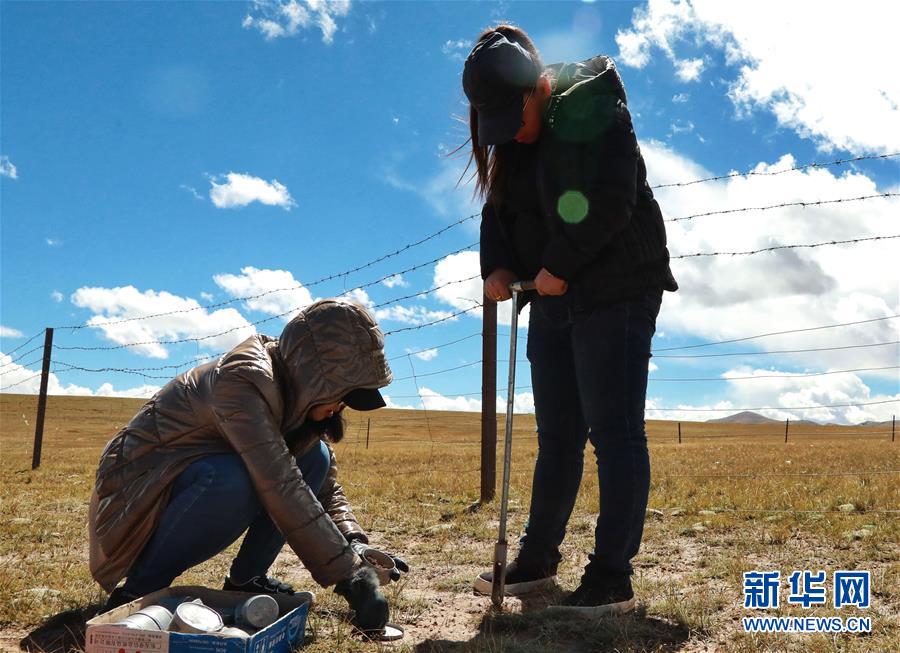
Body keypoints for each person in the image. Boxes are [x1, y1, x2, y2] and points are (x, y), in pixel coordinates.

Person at [461, 25, 678, 614]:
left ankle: (611, 576)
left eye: (517, 115)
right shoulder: (510, 147)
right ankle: (537, 560)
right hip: (552, 299)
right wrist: (499, 266)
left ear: (538, 87)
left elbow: (613, 194)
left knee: (614, 432)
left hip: (617, 290)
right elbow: (497, 217)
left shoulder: (593, 102)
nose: (513, 133)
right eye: (498, 125)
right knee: (557, 437)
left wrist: (560, 262)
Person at [88, 299, 408, 631]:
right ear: (314, 376)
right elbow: (281, 482)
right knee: (235, 479)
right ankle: (141, 589)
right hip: (134, 496)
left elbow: (322, 488)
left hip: (180, 484)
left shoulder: (293, 396)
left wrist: (354, 542)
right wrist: (351, 577)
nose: (343, 406)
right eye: (343, 394)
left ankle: (247, 580)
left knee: (317, 459)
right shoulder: (242, 381)